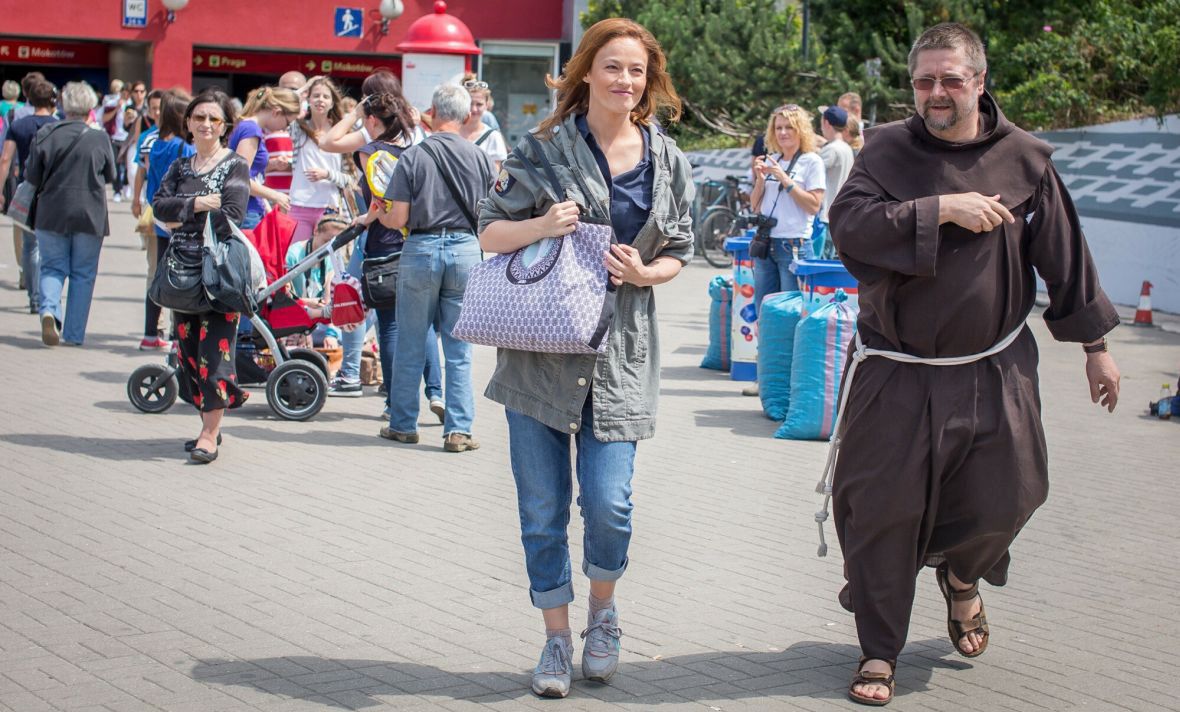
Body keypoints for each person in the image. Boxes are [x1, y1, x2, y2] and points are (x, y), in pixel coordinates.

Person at [827, 23, 1122, 706]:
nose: (936, 92)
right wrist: (939, 210)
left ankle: (963, 580)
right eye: (924, 80)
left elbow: (1066, 259)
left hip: (992, 368)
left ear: (980, 81)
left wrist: (1096, 348)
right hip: (895, 369)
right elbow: (851, 230)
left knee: (1013, 492)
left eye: (951, 79)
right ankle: (879, 650)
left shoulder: (1025, 160)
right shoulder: (887, 152)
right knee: (880, 508)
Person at [478, 17, 695, 698]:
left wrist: (645, 273)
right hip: (540, 352)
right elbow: (489, 234)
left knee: (610, 505)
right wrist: (543, 225)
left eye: (636, 70)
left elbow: (679, 253)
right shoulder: (542, 150)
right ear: (586, 75)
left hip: (621, 353)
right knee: (542, 510)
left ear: (648, 80)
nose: (624, 81)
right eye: (611, 67)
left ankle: (603, 614)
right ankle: (553, 639)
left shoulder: (672, 161)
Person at [367, 83, 493, 452]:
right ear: (468, 114)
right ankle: (458, 430)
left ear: (433, 113)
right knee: (458, 347)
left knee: (410, 340)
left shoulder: (413, 157)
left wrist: (384, 215)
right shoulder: (481, 157)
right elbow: (490, 213)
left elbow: (399, 218)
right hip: (466, 250)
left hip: (420, 248)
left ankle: (403, 424)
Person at [152, 90, 252, 464]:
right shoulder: (181, 167)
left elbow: (231, 215)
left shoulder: (235, 166)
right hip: (182, 272)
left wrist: (183, 216)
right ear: (188, 124)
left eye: (213, 119)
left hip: (219, 273)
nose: (206, 124)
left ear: (224, 126)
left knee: (216, 356)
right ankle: (210, 422)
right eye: (199, 118)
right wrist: (197, 203)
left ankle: (209, 434)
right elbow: (160, 206)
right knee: (189, 354)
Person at [24, 82, 115, 347]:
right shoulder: (99, 137)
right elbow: (109, 175)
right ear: (90, 108)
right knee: (83, 273)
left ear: (63, 106)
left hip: (51, 211)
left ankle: (49, 310)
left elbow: (32, 175)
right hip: (90, 212)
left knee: (52, 266)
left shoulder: (45, 134)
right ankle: (74, 334)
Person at [745, 105, 825, 394]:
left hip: (794, 246)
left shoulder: (812, 162)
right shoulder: (772, 159)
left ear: (800, 130)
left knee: (793, 314)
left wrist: (784, 179)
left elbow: (814, 206)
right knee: (764, 312)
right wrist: (759, 180)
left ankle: (793, 382)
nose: (782, 133)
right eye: (778, 128)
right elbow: (755, 205)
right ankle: (765, 377)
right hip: (767, 243)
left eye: (788, 128)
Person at [136, 89, 194, 350]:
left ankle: (150, 334)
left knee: (159, 275)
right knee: (180, 276)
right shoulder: (185, 147)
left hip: (159, 216)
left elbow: (150, 181)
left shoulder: (156, 144)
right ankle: (175, 337)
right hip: (180, 219)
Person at [0, 79, 60, 313]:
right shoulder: (58, 125)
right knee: (50, 247)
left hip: (26, 187)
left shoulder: (19, 124)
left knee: (29, 245)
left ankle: (34, 296)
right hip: (53, 190)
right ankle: (47, 297)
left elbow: (5, 159)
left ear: (30, 98)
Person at [287, 77, 352, 243]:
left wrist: (327, 174)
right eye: (315, 95)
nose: (320, 100)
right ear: (308, 100)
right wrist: (305, 88)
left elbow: (350, 180)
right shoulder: (299, 129)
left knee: (329, 262)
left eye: (325, 96)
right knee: (297, 259)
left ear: (332, 103)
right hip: (299, 205)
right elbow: (285, 106)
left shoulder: (340, 133)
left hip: (329, 209)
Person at [229, 86, 298, 229]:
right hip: (246, 210)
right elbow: (240, 178)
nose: (285, 128)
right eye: (287, 123)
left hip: (248, 208)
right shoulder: (251, 130)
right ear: (276, 112)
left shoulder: (247, 127)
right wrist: (276, 196)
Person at [815, 105, 854, 258]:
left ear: (826, 123)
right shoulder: (846, 148)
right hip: (839, 214)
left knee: (821, 262)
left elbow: (811, 174)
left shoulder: (831, 150)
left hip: (826, 216)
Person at [261, 71, 307, 199]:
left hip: (304, 200)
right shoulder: (265, 122)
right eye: (284, 89)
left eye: (293, 89)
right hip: (270, 198)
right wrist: (273, 164)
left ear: (305, 93)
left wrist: (293, 165)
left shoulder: (312, 122)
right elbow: (250, 167)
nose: (288, 94)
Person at [458, 79, 508, 171]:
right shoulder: (451, 131)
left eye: (479, 104)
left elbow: (494, 177)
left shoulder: (493, 137)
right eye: (470, 103)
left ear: (486, 105)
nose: (474, 109)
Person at [102, 79, 131, 201]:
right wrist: (116, 108)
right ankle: (117, 191)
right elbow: (104, 118)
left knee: (129, 165)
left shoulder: (131, 104)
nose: (125, 94)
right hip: (114, 137)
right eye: (124, 91)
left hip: (128, 138)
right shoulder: (112, 102)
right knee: (117, 165)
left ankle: (126, 184)